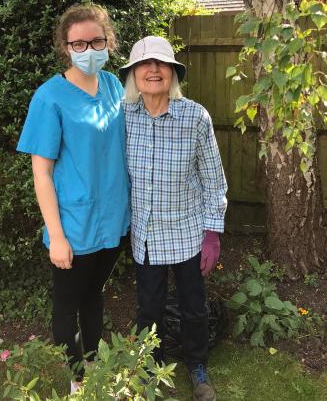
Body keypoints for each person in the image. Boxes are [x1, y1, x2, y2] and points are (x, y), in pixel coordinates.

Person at [16, 4, 130, 395]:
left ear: (108, 41)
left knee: (94, 296)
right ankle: (77, 378)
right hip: (73, 227)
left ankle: (94, 366)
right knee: (67, 308)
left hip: (113, 220)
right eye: (78, 43)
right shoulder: (50, 97)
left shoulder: (114, 86)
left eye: (96, 41)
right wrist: (57, 236)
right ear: (66, 47)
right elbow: (42, 173)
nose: (88, 49)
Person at [118, 36, 228, 401]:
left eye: (161, 64)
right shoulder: (122, 117)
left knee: (193, 306)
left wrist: (212, 232)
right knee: (148, 307)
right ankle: (152, 367)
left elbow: (214, 180)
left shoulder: (195, 117)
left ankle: (197, 366)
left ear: (172, 73)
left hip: (188, 232)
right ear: (133, 74)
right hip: (146, 234)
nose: (153, 70)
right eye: (144, 64)